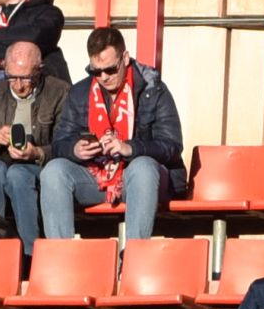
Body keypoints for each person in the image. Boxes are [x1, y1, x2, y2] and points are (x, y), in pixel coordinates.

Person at [42, 25, 182, 243]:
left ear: (125, 58)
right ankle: (62, 260)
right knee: (53, 171)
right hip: (96, 174)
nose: (104, 77)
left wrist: (131, 148)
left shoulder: (153, 89)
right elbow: (59, 143)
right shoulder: (80, 93)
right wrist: (75, 149)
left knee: (143, 167)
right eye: (96, 71)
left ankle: (134, 259)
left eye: (110, 69)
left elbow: (172, 146)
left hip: (141, 179)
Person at [0, 40, 67, 257]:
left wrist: (37, 152)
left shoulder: (60, 92)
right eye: (11, 77)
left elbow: (64, 146)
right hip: (1, 162)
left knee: (18, 174)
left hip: (40, 166)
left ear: (39, 71)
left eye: (26, 77)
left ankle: (29, 255)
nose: (18, 85)